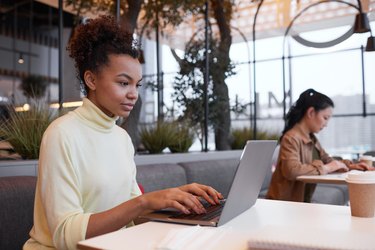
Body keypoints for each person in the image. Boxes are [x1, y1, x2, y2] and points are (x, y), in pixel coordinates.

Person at [24, 15, 222, 250]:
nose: (133, 94)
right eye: (123, 83)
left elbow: (129, 214)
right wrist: (143, 202)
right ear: (91, 79)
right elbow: (65, 235)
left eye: (136, 84)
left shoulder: (121, 138)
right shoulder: (61, 134)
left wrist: (175, 200)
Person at [266, 88, 374, 203]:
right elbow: (291, 170)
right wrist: (328, 168)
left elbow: (327, 160)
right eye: (325, 118)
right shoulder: (291, 138)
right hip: (283, 203)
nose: (326, 124)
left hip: (300, 202)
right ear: (311, 112)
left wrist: (352, 166)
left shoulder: (311, 138)